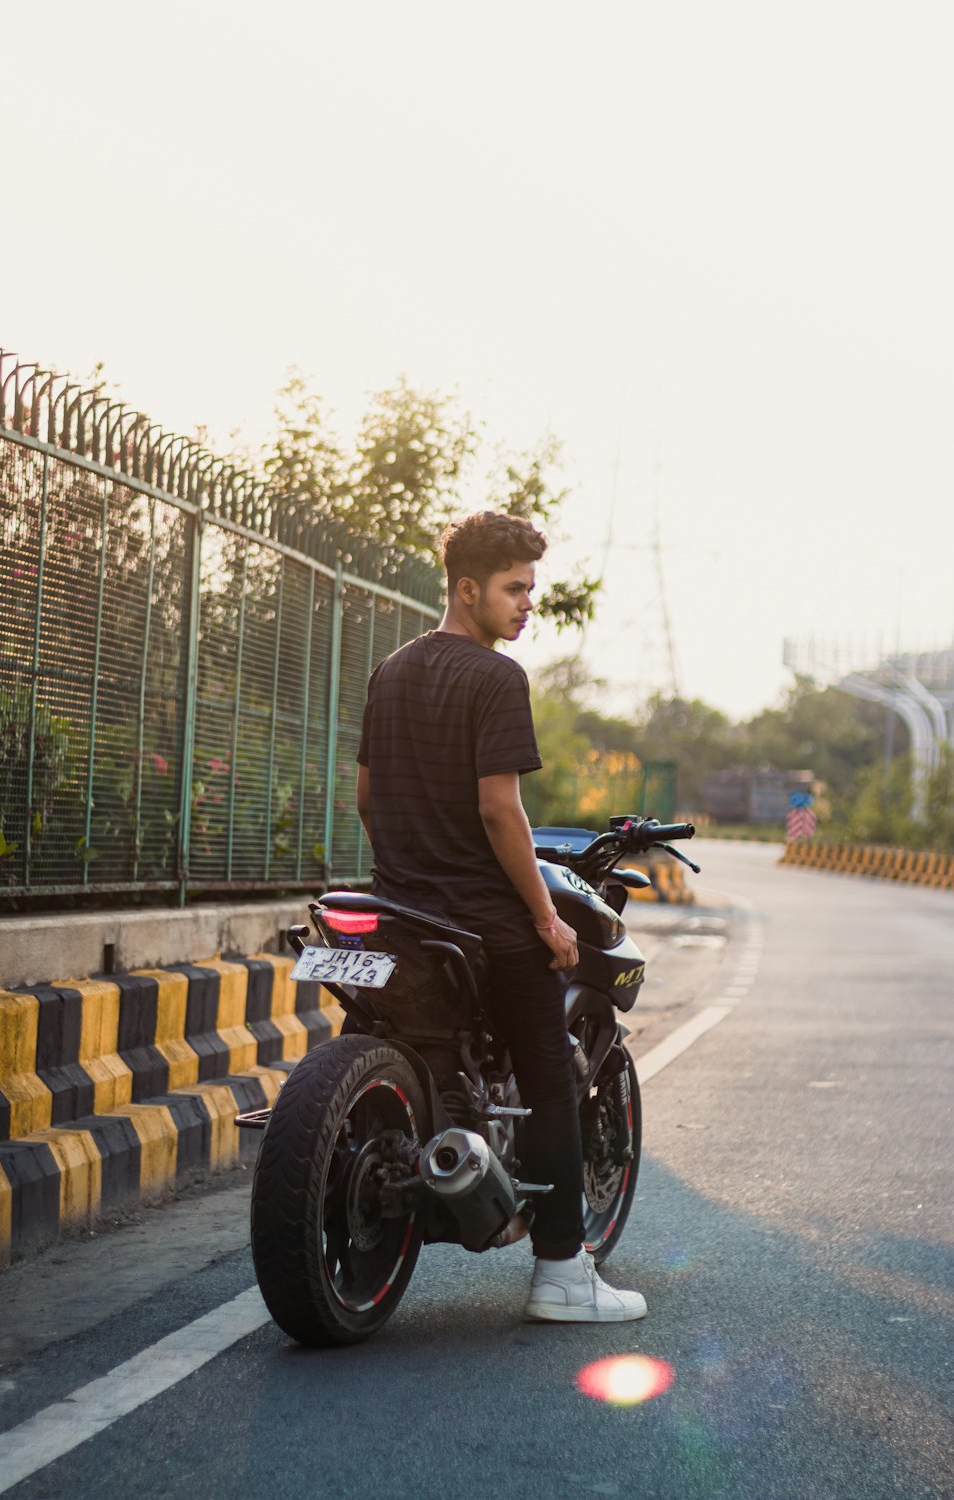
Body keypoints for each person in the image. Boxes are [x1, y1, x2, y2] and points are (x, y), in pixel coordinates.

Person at [355, 510, 647, 1323]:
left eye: (531, 590)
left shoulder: (391, 670)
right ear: (467, 588)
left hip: (395, 913)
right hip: (480, 921)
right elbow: (498, 811)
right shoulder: (495, 678)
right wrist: (544, 920)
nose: (527, 606)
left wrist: (410, 869)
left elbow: (368, 800)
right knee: (550, 1074)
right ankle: (560, 1273)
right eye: (515, 590)